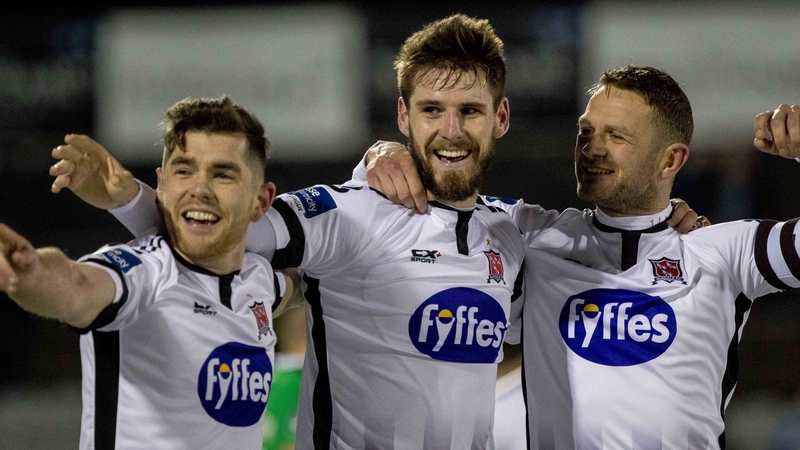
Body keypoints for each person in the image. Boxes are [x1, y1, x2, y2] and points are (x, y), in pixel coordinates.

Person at [49, 14, 526, 449]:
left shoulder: (515, 232)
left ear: (500, 117)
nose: (450, 129)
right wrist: (126, 196)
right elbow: (220, 235)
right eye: (431, 110)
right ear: (404, 116)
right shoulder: (347, 211)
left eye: (469, 111)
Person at [361, 66, 800, 448]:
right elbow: (434, 191)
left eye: (617, 136)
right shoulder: (531, 235)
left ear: (671, 161)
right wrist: (384, 155)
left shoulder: (726, 251)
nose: (591, 149)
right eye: (586, 132)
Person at [1, 95, 304, 449]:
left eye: (223, 174)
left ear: (261, 202)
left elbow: (298, 285)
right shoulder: (143, 271)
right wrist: (30, 272)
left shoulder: (258, 279)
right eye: (183, 170)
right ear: (161, 185)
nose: (199, 190)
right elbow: (77, 285)